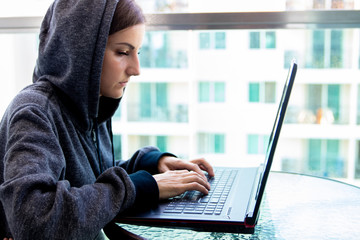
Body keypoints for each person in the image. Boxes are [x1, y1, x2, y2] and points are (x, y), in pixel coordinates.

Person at [0, 0, 214, 239]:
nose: (136, 69)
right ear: (80, 51)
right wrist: (139, 187)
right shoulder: (33, 113)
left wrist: (152, 164)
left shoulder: (88, 108)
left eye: (137, 52)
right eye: (123, 52)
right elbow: (35, 221)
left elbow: (92, 180)